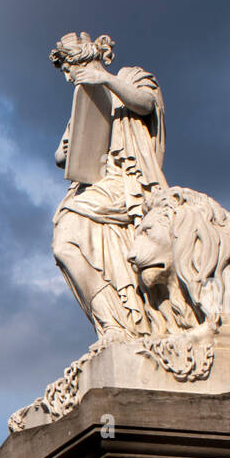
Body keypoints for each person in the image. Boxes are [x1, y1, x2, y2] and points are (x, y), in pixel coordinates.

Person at [49, 33, 167, 343]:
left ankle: (117, 322)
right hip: (91, 184)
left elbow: (145, 103)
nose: (67, 77)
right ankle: (113, 322)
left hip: (126, 181)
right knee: (66, 244)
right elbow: (61, 154)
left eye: (68, 68)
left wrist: (105, 79)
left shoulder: (129, 77)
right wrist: (66, 148)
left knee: (65, 238)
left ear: (83, 60)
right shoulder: (86, 100)